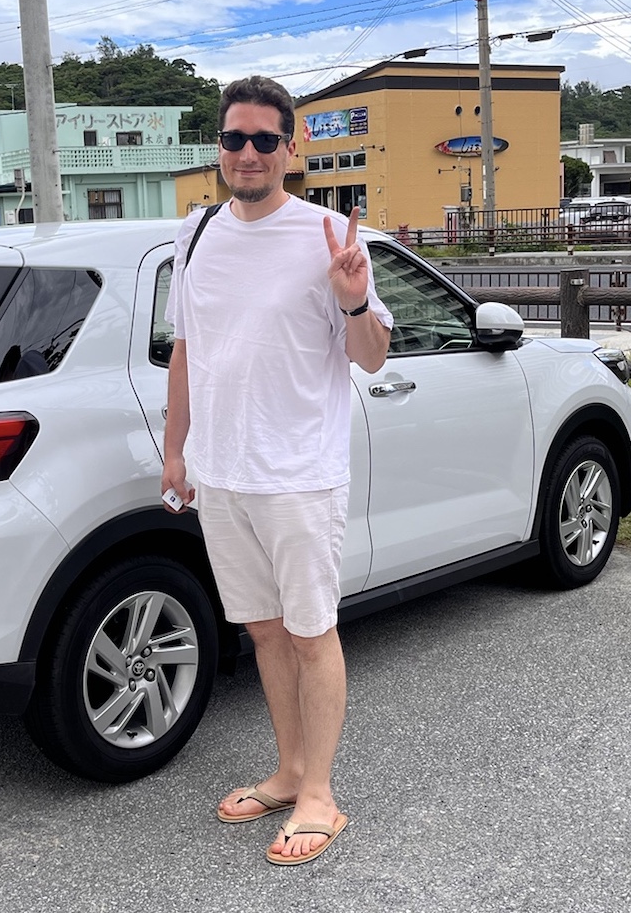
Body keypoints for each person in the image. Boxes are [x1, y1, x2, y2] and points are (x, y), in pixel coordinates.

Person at [162, 75, 392, 866]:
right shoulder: (196, 236)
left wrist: (356, 301)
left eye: (266, 139)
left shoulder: (328, 234)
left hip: (298, 473)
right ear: (219, 149)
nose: (250, 153)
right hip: (222, 473)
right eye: (236, 139)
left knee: (309, 631)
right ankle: (290, 771)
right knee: (262, 630)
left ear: (291, 149)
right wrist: (176, 449)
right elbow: (188, 352)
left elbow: (370, 357)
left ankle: (322, 794)